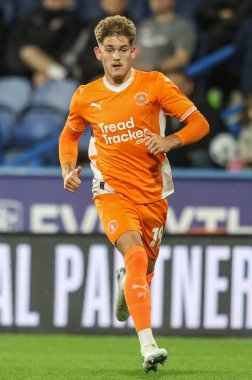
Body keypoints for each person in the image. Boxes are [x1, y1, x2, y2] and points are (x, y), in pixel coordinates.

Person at [59, 15, 209, 373]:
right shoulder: (85, 96)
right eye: (109, 50)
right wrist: (67, 167)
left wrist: (170, 139)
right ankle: (148, 345)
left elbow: (200, 123)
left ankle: (124, 288)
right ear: (98, 53)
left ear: (133, 52)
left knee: (145, 269)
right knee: (137, 256)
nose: (116, 56)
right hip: (110, 190)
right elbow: (69, 136)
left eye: (123, 50)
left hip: (154, 193)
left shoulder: (155, 84)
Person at [4, 0, 83, 86]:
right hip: (20, 65)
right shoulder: (34, 13)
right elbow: (18, 38)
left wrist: (44, 71)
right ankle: (64, 76)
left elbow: (66, 50)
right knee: (28, 52)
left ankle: (65, 76)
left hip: (51, 63)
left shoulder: (71, 19)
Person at [134, 0, 196, 73]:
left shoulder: (182, 26)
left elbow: (182, 58)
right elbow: (134, 54)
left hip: (166, 75)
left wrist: (156, 68)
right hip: (140, 74)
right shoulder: (144, 25)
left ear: (173, 1)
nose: (156, 1)